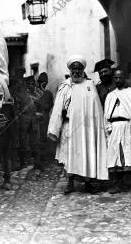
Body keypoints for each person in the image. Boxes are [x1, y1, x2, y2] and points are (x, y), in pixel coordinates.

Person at [48, 55, 108, 195]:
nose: (76, 71)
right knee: (70, 155)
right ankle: (70, 183)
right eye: (73, 69)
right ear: (70, 70)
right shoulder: (65, 86)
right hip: (70, 127)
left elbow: (96, 109)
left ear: (83, 70)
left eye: (79, 68)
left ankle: (87, 182)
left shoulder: (89, 85)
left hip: (87, 128)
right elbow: (57, 109)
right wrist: (54, 129)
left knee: (86, 154)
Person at [104, 69, 131, 195]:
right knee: (114, 155)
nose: (118, 80)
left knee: (130, 155)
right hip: (114, 127)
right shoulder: (110, 95)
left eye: (120, 77)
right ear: (113, 79)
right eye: (116, 78)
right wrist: (108, 128)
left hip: (127, 126)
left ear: (125, 78)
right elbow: (106, 115)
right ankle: (117, 184)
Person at [18, 76, 42, 172]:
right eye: (29, 84)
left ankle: (37, 163)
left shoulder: (38, 94)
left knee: (35, 142)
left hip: (34, 122)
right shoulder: (21, 95)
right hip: (24, 122)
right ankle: (22, 163)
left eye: (33, 84)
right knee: (23, 142)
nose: (31, 86)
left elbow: (40, 107)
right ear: (26, 84)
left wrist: (39, 113)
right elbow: (18, 109)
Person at [36, 72, 54, 163]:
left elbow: (51, 104)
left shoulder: (48, 94)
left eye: (45, 82)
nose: (44, 83)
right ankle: (36, 157)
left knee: (43, 136)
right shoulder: (35, 92)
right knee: (35, 136)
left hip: (45, 117)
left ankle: (43, 157)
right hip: (35, 117)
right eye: (42, 82)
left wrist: (45, 107)